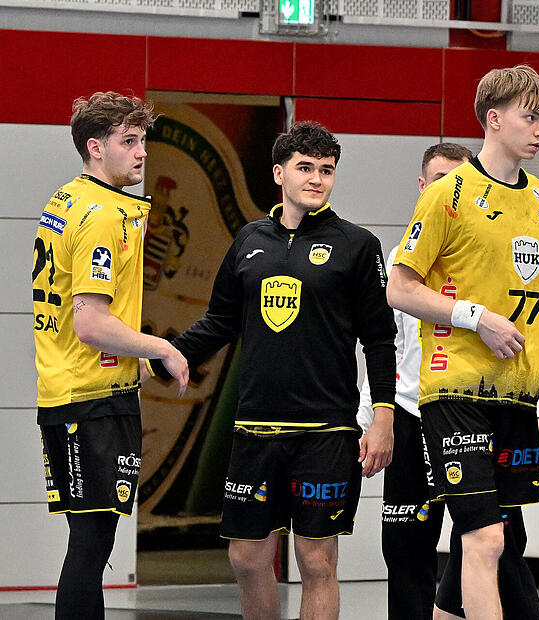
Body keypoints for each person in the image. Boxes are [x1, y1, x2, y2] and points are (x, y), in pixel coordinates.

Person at [147, 121, 397, 620]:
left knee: (316, 561)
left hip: (325, 431)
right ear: (280, 173)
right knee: (246, 558)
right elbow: (220, 320)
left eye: (326, 170)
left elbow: (379, 337)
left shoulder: (358, 244)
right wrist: (163, 354)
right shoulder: (248, 240)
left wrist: (384, 416)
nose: (317, 178)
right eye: (305, 168)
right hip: (255, 427)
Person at [386, 64, 539, 620]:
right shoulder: (447, 194)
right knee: (485, 539)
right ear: (493, 119)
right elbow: (400, 287)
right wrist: (475, 317)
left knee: (497, 541)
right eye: (530, 117)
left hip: (517, 394)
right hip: (454, 390)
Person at [35, 91, 189, 620]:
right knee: (91, 545)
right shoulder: (101, 214)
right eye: (129, 141)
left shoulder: (66, 199)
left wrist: (134, 351)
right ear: (95, 148)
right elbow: (91, 322)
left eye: (143, 140)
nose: (142, 152)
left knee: (89, 542)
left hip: (67, 392)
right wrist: (161, 346)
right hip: (92, 398)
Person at [354, 142, 470, 619]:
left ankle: (451, 611)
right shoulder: (402, 255)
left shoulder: (487, 251)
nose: (449, 191)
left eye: (459, 182)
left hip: (468, 411)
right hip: (409, 412)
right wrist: (370, 418)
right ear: (422, 187)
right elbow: (388, 346)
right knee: (403, 542)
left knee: (482, 538)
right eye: (439, 181)